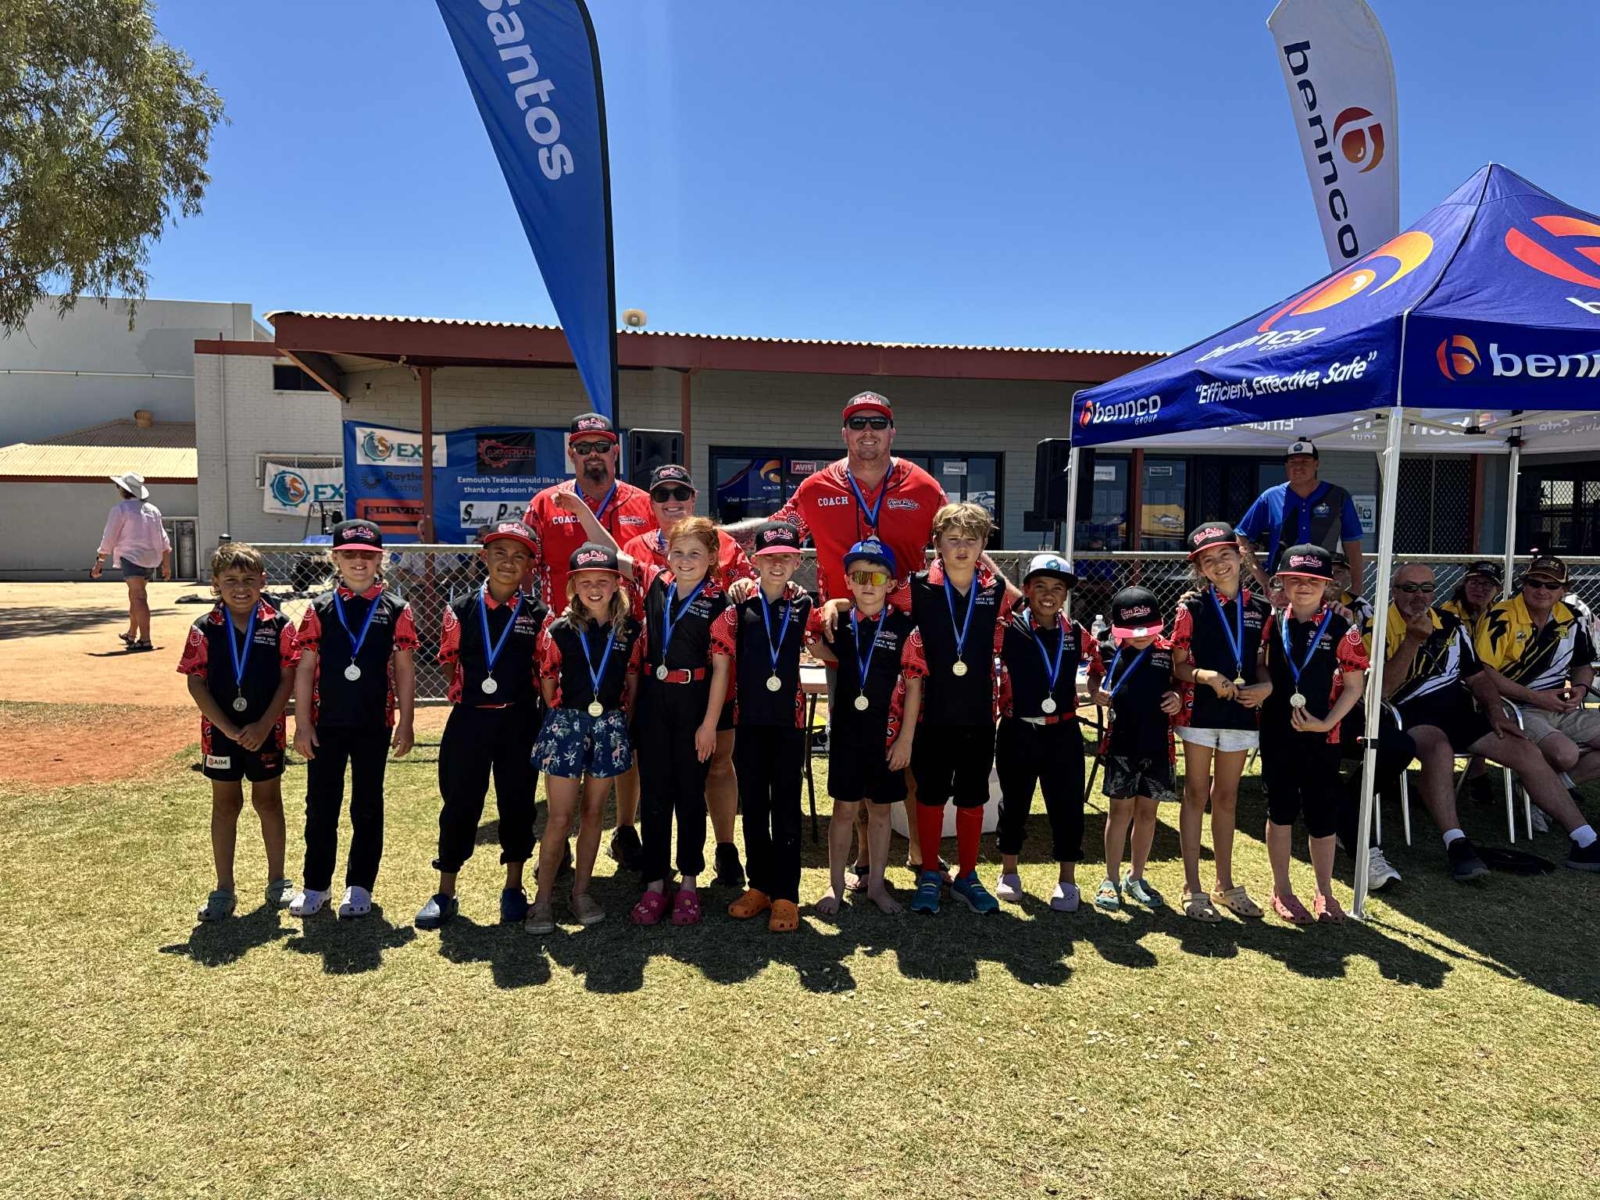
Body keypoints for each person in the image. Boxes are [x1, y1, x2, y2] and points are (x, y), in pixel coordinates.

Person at [1375, 563, 1600, 878]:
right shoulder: (1375, 625)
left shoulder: (1450, 623)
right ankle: (1456, 842)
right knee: (1439, 750)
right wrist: (1412, 640)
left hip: (1460, 711)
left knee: (1524, 749)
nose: (1418, 595)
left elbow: (1478, 677)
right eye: (1409, 588)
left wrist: (1495, 710)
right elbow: (1382, 690)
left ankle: (1585, 839)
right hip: (1407, 712)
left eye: (1426, 588)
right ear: (1394, 591)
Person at [522, 413, 656, 878]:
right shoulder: (545, 503)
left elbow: (651, 560)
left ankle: (625, 828)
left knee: (624, 734)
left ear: (615, 451)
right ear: (571, 453)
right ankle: (559, 840)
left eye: (602, 446)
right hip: (565, 641)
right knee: (561, 731)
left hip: (623, 638)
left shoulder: (643, 502)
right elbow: (525, 563)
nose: (593, 454)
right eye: (583, 447)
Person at [620, 464, 757, 890]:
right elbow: (613, 559)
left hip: (707, 691)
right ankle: (654, 872)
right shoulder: (650, 569)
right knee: (658, 782)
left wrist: (746, 588)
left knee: (711, 769)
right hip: (657, 693)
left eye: (680, 493)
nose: (672, 501)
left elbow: (755, 582)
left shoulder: (723, 556)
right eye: (662, 494)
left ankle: (720, 854)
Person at [415, 521, 548, 931]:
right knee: (459, 802)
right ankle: (445, 891)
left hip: (519, 720)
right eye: (500, 553)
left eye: (519, 556)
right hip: (470, 717)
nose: (509, 562)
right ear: (484, 557)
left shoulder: (538, 615)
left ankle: (513, 887)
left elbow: (543, 669)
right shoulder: (459, 609)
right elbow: (450, 661)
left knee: (518, 803)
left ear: (529, 565)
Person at [289, 520, 418, 918]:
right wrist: (302, 724)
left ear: (380, 560)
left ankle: (360, 886)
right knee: (320, 806)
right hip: (325, 724)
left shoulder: (397, 608)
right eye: (349, 554)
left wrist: (407, 722)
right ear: (336, 558)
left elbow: (404, 669)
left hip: (373, 723)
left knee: (367, 806)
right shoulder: (319, 608)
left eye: (367, 555)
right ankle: (316, 885)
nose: (358, 561)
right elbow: (305, 668)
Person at [893, 503, 1010, 916]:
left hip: (979, 714)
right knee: (930, 794)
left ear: (984, 545)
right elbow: (874, 605)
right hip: (931, 714)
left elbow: (1020, 609)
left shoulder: (995, 592)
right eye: (953, 539)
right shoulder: (915, 587)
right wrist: (835, 606)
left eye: (971, 540)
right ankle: (929, 872)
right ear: (936, 543)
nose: (962, 548)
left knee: (973, 796)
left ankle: (968, 875)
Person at [176, 542, 300, 921]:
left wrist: (263, 724)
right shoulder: (204, 628)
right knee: (226, 806)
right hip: (220, 734)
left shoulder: (280, 625)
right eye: (230, 580)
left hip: (267, 732)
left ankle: (277, 880)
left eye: (248, 579)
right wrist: (228, 728)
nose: (240, 587)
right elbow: (195, 683)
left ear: (263, 580)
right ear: (215, 583)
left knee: (269, 802)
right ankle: (224, 888)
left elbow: (288, 678)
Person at [528, 542, 646, 933]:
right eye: (585, 582)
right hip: (567, 725)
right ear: (573, 586)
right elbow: (548, 681)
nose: (594, 589)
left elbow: (632, 681)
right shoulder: (559, 630)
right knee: (560, 817)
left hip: (610, 725)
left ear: (616, 584)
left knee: (594, 813)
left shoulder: (631, 630)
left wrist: (621, 723)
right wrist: (566, 717)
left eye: (603, 581)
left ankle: (580, 893)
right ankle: (542, 900)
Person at [629, 518, 733, 927]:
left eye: (695, 553)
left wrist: (709, 725)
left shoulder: (719, 601)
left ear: (712, 557)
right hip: (654, 702)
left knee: (690, 794)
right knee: (654, 793)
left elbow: (722, 669)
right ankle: (656, 882)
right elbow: (616, 556)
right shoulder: (657, 584)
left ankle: (689, 881)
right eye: (678, 552)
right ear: (666, 554)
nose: (685, 560)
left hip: (694, 702)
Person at [1258, 545, 1370, 924]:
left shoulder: (1342, 627)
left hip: (1324, 737)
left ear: (1327, 584)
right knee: (1281, 811)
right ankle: (1282, 890)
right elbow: (1260, 666)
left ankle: (1325, 891)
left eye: (1313, 580)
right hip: (1278, 733)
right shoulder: (1273, 622)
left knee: (1323, 815)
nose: (1304, 586)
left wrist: (1325, 723)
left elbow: (1354, 686)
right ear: (1283, 582)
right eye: (1295, 579)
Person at [810, 539, 922, 916]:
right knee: (844, 810)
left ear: (890, 583)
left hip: (887, 738)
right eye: (859, 576)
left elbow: (914, 685)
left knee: (880, 811)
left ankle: (876, 884)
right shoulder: (838, 624)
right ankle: (835, 885)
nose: (868, 584)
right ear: (848, 581)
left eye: (877, 577)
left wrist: (905, 740)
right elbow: (813, 640)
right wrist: (831, 604)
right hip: (847, 735)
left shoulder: (905, 626)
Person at [713, 521, 813, 932]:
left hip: (789, 721)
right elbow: (720, 656)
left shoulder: (804, 604)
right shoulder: (737, 604)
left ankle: (786, 894)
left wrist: (834, 611)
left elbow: (822, 638)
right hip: (748, 719)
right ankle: (759, 886)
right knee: (753, 805)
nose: (777, 564)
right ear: (755, 561)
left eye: (786, 557)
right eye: (770, 558)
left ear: (797, 561)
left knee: (786, 807)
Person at [1170, 522, 1272, 922]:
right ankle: (1191, 886)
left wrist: (1266, 687)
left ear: (1240, 556)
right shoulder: (1191, 607)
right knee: (1196, 794)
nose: (1219, 564)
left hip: (1241, 713)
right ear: (1200, 568)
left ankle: (1225, 884)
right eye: (1208, 560)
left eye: (1225, 555)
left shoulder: (1261, 609)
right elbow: (1178, 665)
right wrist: (1206, 676)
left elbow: (1262, 663)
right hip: (1199, 713)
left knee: (1227, 798)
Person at [993, 553, 1102, 912]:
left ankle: (1067, 880)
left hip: (1063, 732)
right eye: (1040, 586)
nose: (1049, 594)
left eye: (1057, 588)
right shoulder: (1008, 629)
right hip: (1017, 730)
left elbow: (1099, 661)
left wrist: (1097, 687)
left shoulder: (1076, 633)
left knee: (1067, 805)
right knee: (1014, 802)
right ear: (1026, 590)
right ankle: (1009, 871)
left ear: (1066, 594)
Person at [1092, 586, 1182, 912]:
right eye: (1132, 631)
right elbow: (1094, 676)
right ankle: (1111, 879)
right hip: (1122, 745)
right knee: (1119, 813)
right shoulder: (1107, 647)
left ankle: (1136, 876)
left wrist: (1177, 697)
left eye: (1147, 629)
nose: (1141, 637)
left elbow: (1179, 682)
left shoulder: (1167, 650)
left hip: (1158, 746)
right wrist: (1096, 691)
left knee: (1147, 814)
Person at [1476, 555, 1600, 788]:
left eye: (1551, 585)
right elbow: (1482, 671)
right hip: (1510, 706)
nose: (1542, 590)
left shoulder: (1573, 618)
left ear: (1564, 590)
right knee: (1565, 754)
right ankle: (1545, 792)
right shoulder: (1500, 616)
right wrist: (1535, 697)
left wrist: (1580, 690)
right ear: (1524, 584)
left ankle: (1545, 790)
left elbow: (1583, 665)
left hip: (1559, 706)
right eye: (1535, 583)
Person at [1237, 440, 1364, 595]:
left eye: (1305, 461)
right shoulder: (1270, 497)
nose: (1298, 466)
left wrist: (1356, 590)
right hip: (1282, 587)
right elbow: (1241, 536)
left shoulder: (1338, 496)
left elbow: (1352, 546)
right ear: (1286, 466)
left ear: (1316, 464)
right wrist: (1260, 576)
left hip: (1325, 586)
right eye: (1293, 462)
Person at [92, 471, 173, 652]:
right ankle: (131, 633)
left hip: (132, 557)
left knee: (138, 597)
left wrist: (100, 561)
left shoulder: (120, 509)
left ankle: (145, 639)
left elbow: (110, 536)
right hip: (151, 559)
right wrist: (166, 565)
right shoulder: (153, 510)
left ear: (123, 490)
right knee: (135, 596)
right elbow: (163, 539)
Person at [1437, 559, 1502, 639]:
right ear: (1465, 584)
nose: (1479, 589)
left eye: (1487, 584)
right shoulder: (1449, 613)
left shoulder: (1501, 613)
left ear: (1498, 590)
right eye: (1474, 582)